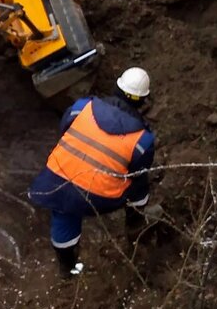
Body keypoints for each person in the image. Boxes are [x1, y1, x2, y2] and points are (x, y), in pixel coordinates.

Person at [28, 67, 156, 277]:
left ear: (117, 86)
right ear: (143, 100)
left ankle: (68, 269)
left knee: (64, 213)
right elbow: (138, 179)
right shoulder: (143, 140)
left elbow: (64, 130)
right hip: (99, 198)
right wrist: (137, 212)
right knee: (136, 183)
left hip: (56, 183)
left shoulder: (82, 107)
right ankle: (134, 229)